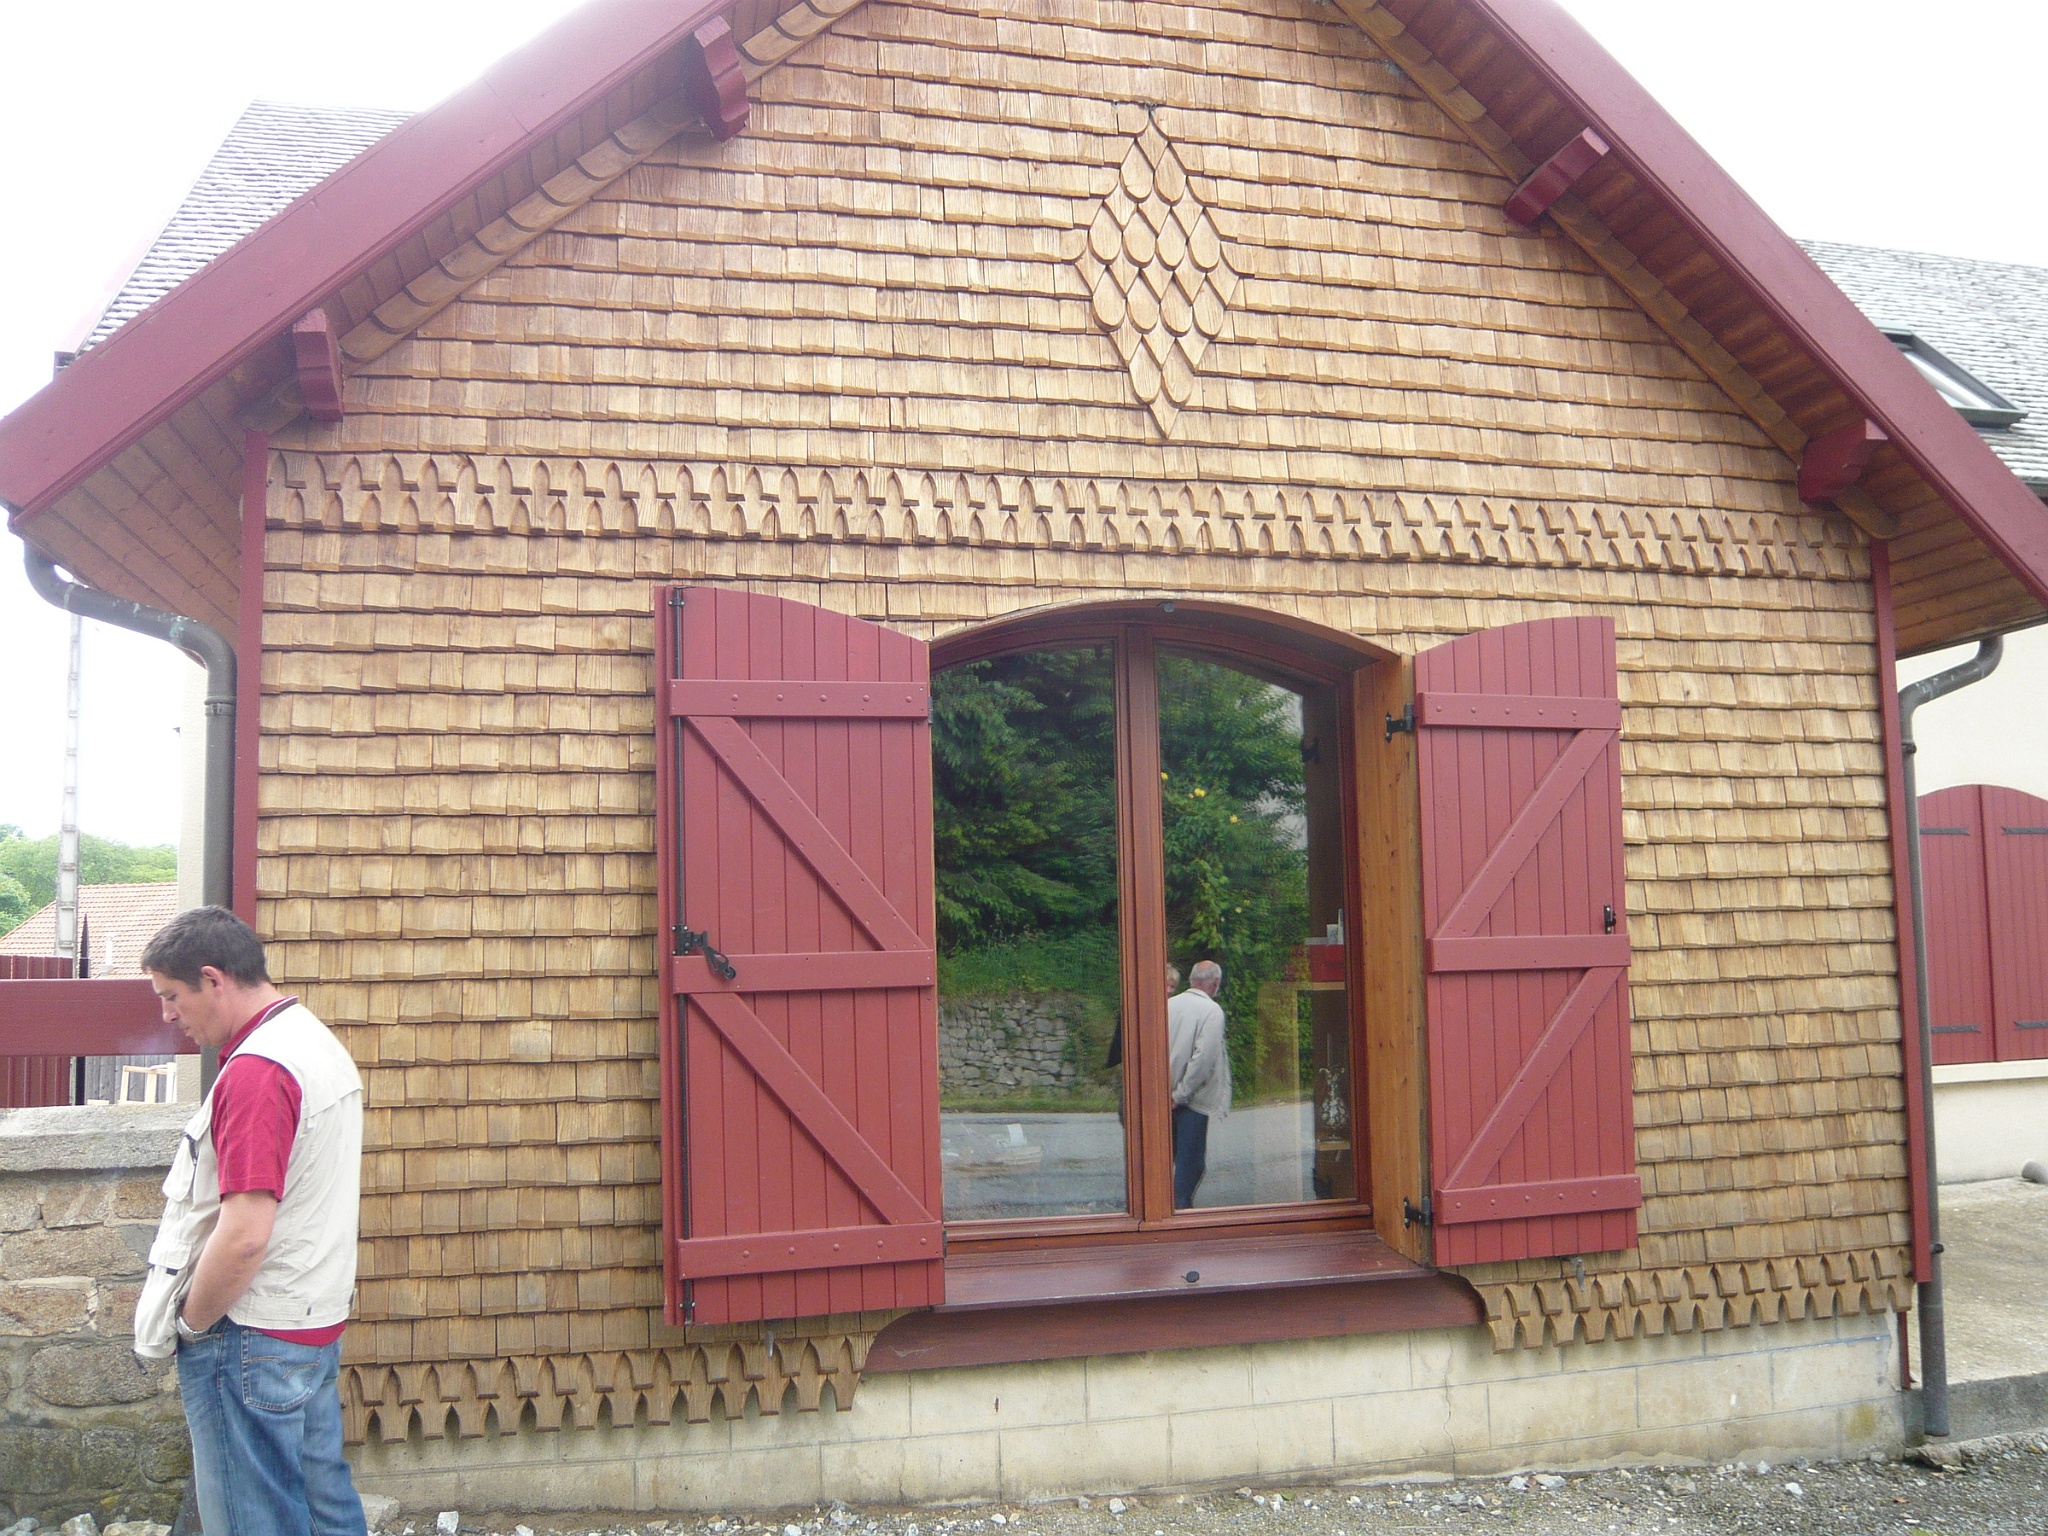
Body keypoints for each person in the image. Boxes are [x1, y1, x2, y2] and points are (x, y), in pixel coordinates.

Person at [132, 906, 368, 1536]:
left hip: (250, 1336)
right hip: (308, 1321)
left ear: (213, 979)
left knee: (250, 1521)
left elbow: (243, 1236)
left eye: (172, 996)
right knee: (322, 1510)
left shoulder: (259, 1071)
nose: (168, 1015)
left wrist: (192, 1325)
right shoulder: (311, 1041)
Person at [1166, 959, 1230, 1207]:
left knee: (1170, 1158)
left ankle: (1168, 1208)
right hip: (1192, 1100)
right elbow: (1203, 1060)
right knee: (1191, 1164)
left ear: (1192, 980)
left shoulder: (1169, 1005)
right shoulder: (1212, 1011)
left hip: (1166, 1095)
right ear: (1215, 983)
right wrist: (1181, 1094)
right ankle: (1180, 1213)